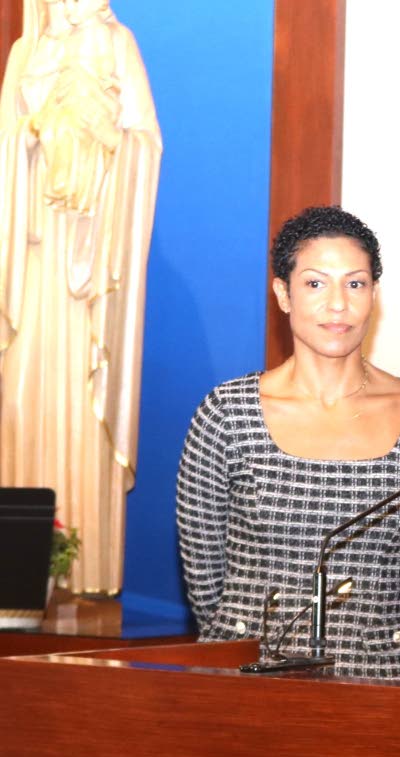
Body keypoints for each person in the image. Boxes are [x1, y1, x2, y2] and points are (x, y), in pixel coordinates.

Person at [177, 206, 400, 680]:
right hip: (245, 687)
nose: (338, 305)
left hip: (380, 687)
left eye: (355, 283)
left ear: (374, 295)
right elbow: (206, 584)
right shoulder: (226, 413)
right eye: (315, 283)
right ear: (283, 294)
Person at [0, 0, 161, 593]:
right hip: (33, 259)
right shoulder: (24, 51)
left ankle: (84, 567)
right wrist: (33, 134)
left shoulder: (118, 43)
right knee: (19, 396)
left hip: (92, 267)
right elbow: (2, 148)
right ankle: (19, 573)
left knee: (81, 398)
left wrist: (105, 137)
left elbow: (146, 144)